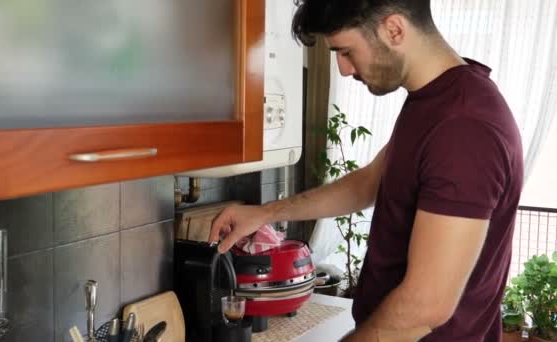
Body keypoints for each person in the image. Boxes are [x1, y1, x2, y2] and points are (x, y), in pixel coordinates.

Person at [209, 0, 524, 341]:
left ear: (394, 29)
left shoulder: (464, 127)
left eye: (346, 51)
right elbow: (371, 181)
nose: (344, 69)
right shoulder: (435, 102)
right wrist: (265, 213)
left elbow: (427, 304)